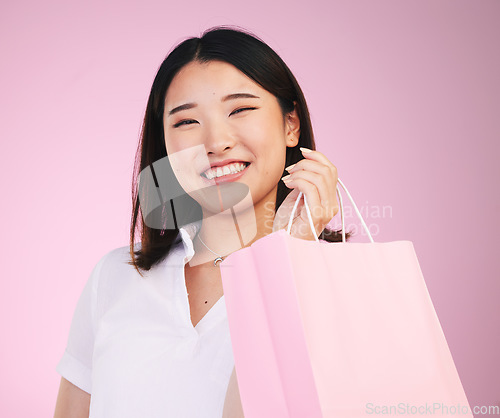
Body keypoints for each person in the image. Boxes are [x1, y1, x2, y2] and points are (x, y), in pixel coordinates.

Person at [53, 25, 351, 418]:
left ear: (290, 124)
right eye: (186, 122)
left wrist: (285, 257)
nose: (215, 142)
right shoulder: (115, 277)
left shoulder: (342, 288)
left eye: (240, 109)